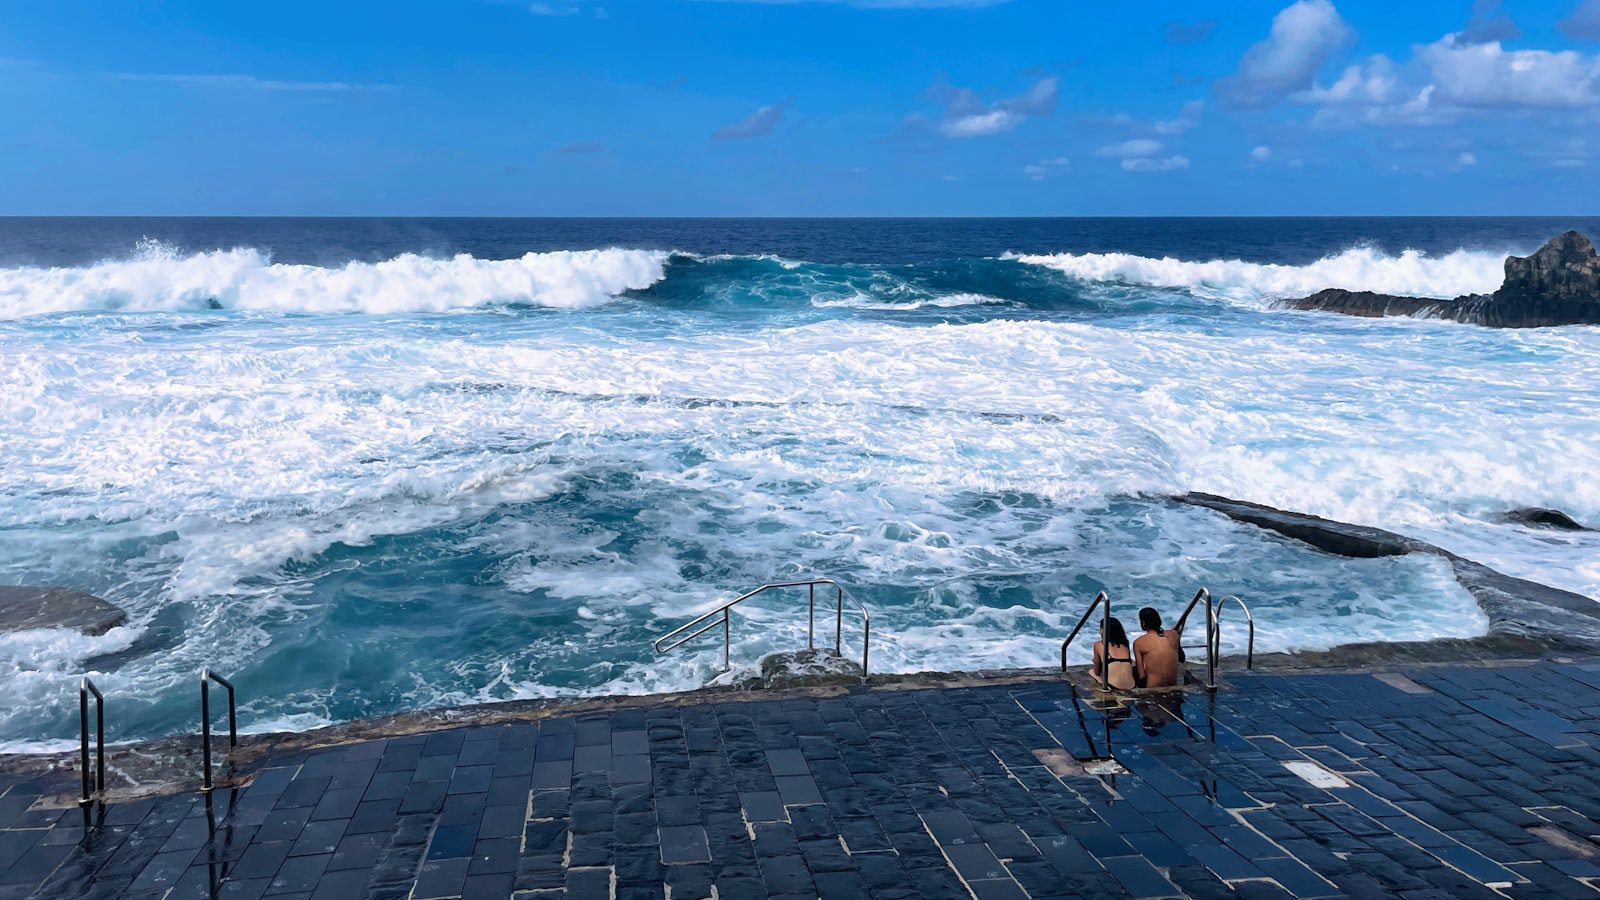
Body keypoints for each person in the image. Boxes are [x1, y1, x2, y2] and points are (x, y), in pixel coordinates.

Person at [1132, 606, 1182, 688]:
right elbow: (1181, 658)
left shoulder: (1138, 642)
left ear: (1143, 622)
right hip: (1172, 686)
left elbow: (1141, 675)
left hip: (1152, 689)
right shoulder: (1173, 635)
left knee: (1133, 666)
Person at [1090, 616, 1137, 690]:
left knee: (1091, 672)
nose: (1100, 632)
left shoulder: (1099, 644)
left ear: (1105, 630)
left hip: (1113, 686)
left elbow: (1097, 672)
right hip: (1132, 686)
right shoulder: (1125, 644)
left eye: (1101, 629)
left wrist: (1096, 662)